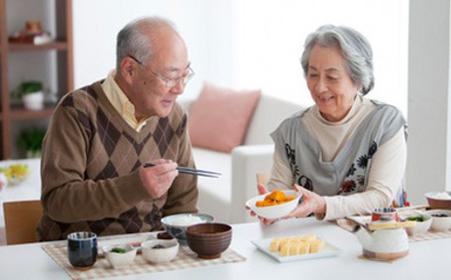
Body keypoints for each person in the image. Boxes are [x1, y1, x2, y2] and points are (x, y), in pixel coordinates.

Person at [38, 16, 198, 241]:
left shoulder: (175, 117)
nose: (180, 89)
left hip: (149, 256)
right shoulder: (77, 111)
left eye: (185, 75)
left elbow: (183, 208)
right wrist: (135, 186)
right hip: (79, 256)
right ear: (130, 70)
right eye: (170, 77)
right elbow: (58, 201)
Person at [255, 25, 407, 223]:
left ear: (359, 80)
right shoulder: (291, 131)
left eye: (332, 77)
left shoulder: (385, 122)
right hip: (313, 245)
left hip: (375, 242)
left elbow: (380, 197)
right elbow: (279, 193)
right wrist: (270, 209)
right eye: (313, 74)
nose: (320, 87)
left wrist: (323, 205)